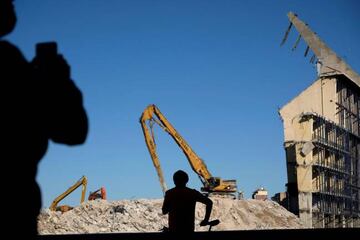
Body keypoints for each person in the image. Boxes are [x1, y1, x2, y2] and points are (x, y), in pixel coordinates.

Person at [0, 0, 88, 238]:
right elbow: (73, 131)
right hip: (13, 207)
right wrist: (61, 83)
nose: (13, 7)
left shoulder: (14, 65)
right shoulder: (9, 64)